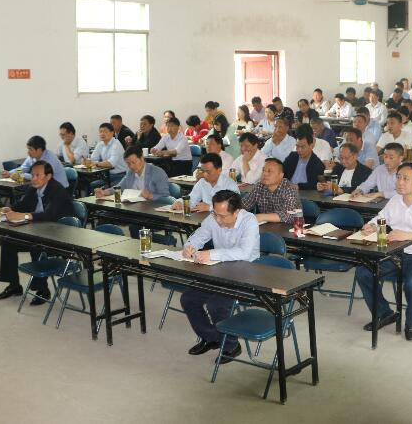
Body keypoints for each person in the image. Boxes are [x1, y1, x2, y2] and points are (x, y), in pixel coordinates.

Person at [355, 163, 412, 341]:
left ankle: (410, 321)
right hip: (395, 253)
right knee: (364, 273)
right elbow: (381, 217)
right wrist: (371, 225)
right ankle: (384, 313)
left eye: (405, 179)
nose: (400, 182)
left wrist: (408, 235)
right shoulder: (395, 200)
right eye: (398, 177)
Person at [180, 190, 260, 362]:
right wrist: (189, 246)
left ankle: (231, 345)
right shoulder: (214, 217)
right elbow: (199, 235)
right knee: (189, 299)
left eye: (222, 216)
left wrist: (211, 254)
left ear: (236, 212)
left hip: (246, 272)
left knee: (216, 304)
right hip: (218, 269)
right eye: (215, 214)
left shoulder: (249, 221)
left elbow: (244, 253)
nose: (217, 220)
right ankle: (211, 337)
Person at [0, 161, 75, 304]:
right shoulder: (34, 188)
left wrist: (24, 216)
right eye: (32, 175)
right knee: (7, 241)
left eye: (37, 175)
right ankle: (14, 285)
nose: (34, 179)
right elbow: (23, 205)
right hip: (39, 230)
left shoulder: (57, 190)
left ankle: (42, 289)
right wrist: (10, 209)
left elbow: (49, 215)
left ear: (48, 176)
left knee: (37, 247)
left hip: (60, 236)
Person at [95, 146, 169, 214]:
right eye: (128, 163)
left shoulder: (157, 172)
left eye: (134, 162)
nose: (131, 166)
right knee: (104, 215)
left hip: (150, 211)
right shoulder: (130, 172)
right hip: (132, 208)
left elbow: (166, 197)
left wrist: (150, 196)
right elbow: (120, 187)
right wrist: (104, 192)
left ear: (142, 158)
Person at [242, 158, 302, 223]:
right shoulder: (260, 186)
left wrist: (262, 217)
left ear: (281, 175)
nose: (265, 174)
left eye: (269, 171)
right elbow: (244, 205)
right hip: (267, 226)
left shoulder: (290, 188)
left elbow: (289, 216)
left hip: (292, 227)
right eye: (263, 170)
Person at [3, 135, 69, 188]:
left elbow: (40, 177)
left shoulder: (50, 158)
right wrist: (10, 173)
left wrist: (21, 175)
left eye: (31, 149)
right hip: (44, 186)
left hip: (59, 189)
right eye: (28, 149)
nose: (28, 152)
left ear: (39, 150)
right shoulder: (32, 157)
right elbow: (23, 168)